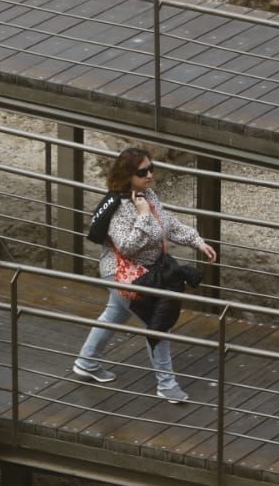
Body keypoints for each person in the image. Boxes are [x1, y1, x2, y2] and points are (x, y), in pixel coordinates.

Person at [72, 147, 217, 404]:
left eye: (151, 168)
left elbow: (168, 224)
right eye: (142, 172)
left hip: (147, 272)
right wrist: (142, 216)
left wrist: (197, 241)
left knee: (114, 313)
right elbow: (127, 245)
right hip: (122, 275)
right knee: (157, 322)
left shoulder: (148, 194)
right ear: (128, 175)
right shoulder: (120, 206)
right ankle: (166, 384)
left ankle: (86, 362)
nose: (149, 175)